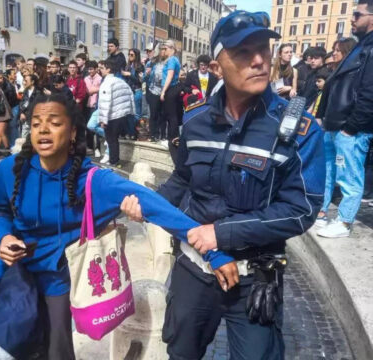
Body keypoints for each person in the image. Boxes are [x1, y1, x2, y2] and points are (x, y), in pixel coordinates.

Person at [122, 10, 325, 360]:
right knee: (181, 353)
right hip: (192, 271)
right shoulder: (195, 120)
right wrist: (149, 204)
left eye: (264, 49)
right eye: (244, 52)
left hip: (253, 278)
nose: (260, 60)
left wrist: (221, 234)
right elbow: (184, 179)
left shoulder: (299, 130)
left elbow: (301, 209)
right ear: (217, 66)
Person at [0, 92, 232, 359]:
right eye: (36, 123)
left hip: (55, 283)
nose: (43, 130)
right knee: (3, 350)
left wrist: (211, 250)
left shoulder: (94, 182)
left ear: (72, 132)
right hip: (11, 275)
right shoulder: (10, 169)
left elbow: (157, 207)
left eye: (54, 123)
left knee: (56, 352)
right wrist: (5, 236)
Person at [314, 0, 373, 237]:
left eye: (357, 14)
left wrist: (351, 127)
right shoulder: (360, 48)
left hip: (350, 128)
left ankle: (345, 221)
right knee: (329, 172)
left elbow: (370, 92)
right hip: (336, 125)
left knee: (349, 175)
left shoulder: (369, 49)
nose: (352, 19)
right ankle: (322, 212)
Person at [98, 59, 135, 167]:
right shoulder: (121, 81)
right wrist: (131, 112)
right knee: (115, 140)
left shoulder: (106, 83)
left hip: (112, 116)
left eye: (102, 68)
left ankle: (113, 161)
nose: (100, 70)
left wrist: (103, 120)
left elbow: (105, 103)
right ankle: (115, 160)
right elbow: (130, 96)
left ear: (108, 69)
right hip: (122, 115)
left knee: (111, 140)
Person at [160, 40, 182, 164]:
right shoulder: (174, 60)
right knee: (170, 115)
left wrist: (163, 91)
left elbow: (170, 76)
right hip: (173, 89)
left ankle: (173, 138)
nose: (164, 50)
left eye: (166, 48)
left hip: (171, 89)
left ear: (172, 49)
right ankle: (173, 138)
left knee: (171, 115)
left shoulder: (172, 60)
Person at [145, 44, 167, 142]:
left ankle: (162, 135)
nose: (163, 51)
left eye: (164, 49)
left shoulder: (168, 62)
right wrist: (147, 74)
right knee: (153, 114)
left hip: (164, 90)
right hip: (153, 90)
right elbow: (144, 78)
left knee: (162, 114)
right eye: (161, 50)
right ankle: (153, 134)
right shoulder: (151, 63)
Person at [122, 48, 144, 140]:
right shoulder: (127, 66)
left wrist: (129, 74)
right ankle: (130, 132)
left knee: (136, 114)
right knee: (127, 114)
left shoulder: (140, 66)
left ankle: (134, 132)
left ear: (136, 56)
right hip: (128, 92)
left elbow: (140, 81)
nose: (129, 56)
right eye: (129, 54)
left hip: (136, 91)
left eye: (132, 55)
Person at [0, 71, 20, 147]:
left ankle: (13, 145)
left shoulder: (8, 86)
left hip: (12, 107)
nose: (0, 80)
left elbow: (11, 99)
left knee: (12, 126)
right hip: (6, 108)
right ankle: (4, 145)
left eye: (1, 78)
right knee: (3, 129)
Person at [84, 60, 102, 156]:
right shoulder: (86, 79)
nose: (90, 71)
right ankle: (90, 147)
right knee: (88, 128)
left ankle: (98, 148)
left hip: (95, 105)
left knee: (95, 127)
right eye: (88, 69)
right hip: (87, 105)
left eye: (91, 69)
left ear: (96, 69)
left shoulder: (100, 79)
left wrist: (94, 90)